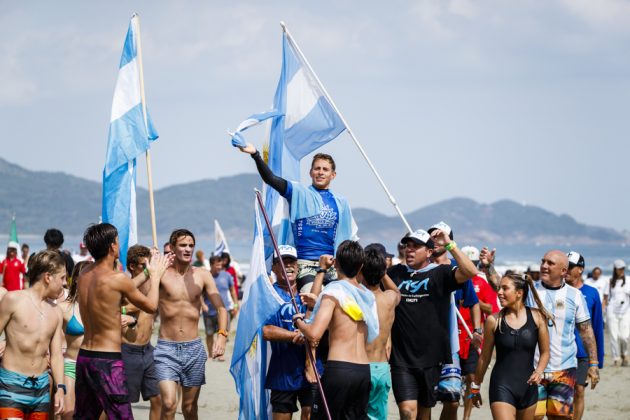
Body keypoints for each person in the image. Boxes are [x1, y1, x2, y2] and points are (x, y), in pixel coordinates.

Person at [74, 223, 171, 419]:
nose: (120, 245)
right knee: (122, 416)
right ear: (112, 246)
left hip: (84, 357)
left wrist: (145, 273)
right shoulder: (117, 278)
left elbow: (116, 289)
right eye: (118, 241)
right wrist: (156, 275)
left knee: (85, 416)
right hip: (107, 361)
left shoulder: (84, 274)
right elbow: (151, 306)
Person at [237, 143, 355, 293]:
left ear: (333, 175)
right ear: (310, 172)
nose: (320, 172)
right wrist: (255, 155)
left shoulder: (341, 203)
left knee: (342, 305)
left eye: (325, 169)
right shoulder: (298, 193)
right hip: (305, 266)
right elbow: (271, 179)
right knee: (314, 300)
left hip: (332, 266)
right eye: (317, 168)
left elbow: (349, 239)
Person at [387, 228, 478, 420]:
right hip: (401, 358)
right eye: (407, 246)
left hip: (432, 359)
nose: (409, 250)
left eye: (416, 247)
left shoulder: (441, 273)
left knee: (424, 412)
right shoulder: (394, 274)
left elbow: (470, 272)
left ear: (429, 251)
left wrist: (449, 244)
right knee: (406, 412)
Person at [293, 240, 379, 419]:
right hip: (363, 370)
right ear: (361, 266)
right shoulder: (367, 296)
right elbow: (348, 314)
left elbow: (314, 333)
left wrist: (299, 322)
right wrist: (319, 303)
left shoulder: (332, 293)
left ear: (336, 264)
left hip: (340, 369)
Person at [154, 229, 228, 420]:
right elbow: (145, 303)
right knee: (169, 404)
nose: (187, 249)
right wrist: (151, 270)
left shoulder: (202, 275)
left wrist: (222, 335)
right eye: (182, 245)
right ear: (172, 248)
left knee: (189, 407)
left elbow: (221, 308)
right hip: (166, 349)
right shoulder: (161, 273)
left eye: (190, 245)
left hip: (193, 349)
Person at [471, 273, 552, 419]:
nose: (499, 293)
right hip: (501, 385)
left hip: (528, 386)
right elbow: (484, 358)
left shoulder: (537, 317)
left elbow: (545, 352)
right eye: (499, 288)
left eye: (505, 288)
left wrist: (539, 371)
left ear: (519, 293)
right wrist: (475, 386)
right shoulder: (493, 320)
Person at [530, 250, 600, 420]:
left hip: (564, 369)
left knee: (560, 418)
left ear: (563, 271)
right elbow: (501, 286)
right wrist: (488, 267)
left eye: (550, 263)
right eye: (543, 261)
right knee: (533, 416)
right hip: (533, 369)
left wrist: (594, 363)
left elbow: (586, 330)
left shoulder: (575, 295)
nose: (544, 266)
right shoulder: (530, 291)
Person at [0, 250, 66, 418]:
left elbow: (57, 355)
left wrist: (60, 388)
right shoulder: (13, 300)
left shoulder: (56, 312)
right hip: (11, 386)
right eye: (62, 278)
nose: (65, 284)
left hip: (41, 390)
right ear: (48, 277)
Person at [427, 222, 481, 420]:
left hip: (451, 343)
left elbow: (473, 303)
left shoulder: (457, 272)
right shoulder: (422, 268)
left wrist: (477, 330)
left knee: (452, 399)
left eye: (440, 236)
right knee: (424, 400)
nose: (436, 239)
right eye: (432, 236)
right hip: (424, 343)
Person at [262, 245, 320, 420]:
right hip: (282, 373)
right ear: (273, 267)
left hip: (311, 368)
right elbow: (266, 331)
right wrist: (294, 336)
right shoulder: (270, 295)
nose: (288, 265)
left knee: (310, 415)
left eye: (291, 261)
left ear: (298, 266)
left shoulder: (309, 293)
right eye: (282, 261)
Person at [119, 245, 163, 420]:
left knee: (158, 399)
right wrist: (126, 312)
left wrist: (157, 260)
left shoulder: (154, 284)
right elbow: (113, 309)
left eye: (148, 265)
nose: (147, 269)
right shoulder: (126, 287)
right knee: (122, 402)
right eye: (143, 266)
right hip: (128, 350)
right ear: (132, 266)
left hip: (148, 350)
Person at [459, 245, 500, 420]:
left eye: (473, 263)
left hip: (472, 337)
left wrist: (472, 300)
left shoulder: (481, 281)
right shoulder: (454, 278)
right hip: (454, 335)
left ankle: (466, 417)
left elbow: (492, 308)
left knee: (471, 377)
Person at [360, 246, 400, 420]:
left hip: (360, 366)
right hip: (382, 368)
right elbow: (397, 291)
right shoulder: (390, 299)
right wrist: (383, 272)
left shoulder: (356, 297)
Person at [565, 252, 604, 420]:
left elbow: (596, 327)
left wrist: (596, 362)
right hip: (561, 351)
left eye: (570, 267)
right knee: (563, 392)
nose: (566, 269)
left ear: (580, 270)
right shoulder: (558, 290)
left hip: (582, 353)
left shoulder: (592, 293)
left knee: (579, 390)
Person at [58, 260, 91, 420]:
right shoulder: (64, 308)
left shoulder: (102, 306)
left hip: (93, 366)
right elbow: (51, 337)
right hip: (71, 365)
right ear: (76, 279)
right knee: (68, 413)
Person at [202, 255, 237, 360]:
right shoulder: (206, 276)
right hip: (209, 311)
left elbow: (232, 290)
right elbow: (199, 293)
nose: (219, 267)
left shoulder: (226, 275)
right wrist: (202, 304)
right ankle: (210, 353)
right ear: (211, 265)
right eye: (217, 265)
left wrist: (235, 304)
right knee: (209, 334)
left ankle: (220, 354)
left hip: (224, 310)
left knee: (222, 332)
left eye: (220, 264)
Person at [604, 259, 630, 367]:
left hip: (626, 311)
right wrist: (603, 310)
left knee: (624, 336)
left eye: (623, 268)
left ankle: (624, 354)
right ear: (615, 269)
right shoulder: (609, 281)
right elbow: (605, 298)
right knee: (614, 336)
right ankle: (616, 358)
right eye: (620, 268)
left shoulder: (628, 280)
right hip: (612, 312)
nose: (622, 270)